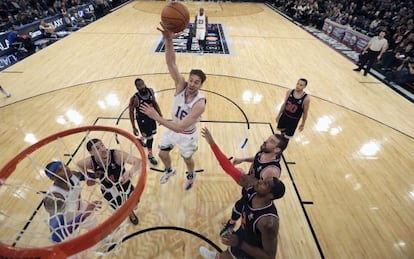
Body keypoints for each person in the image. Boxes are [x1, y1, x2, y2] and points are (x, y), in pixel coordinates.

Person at [199, 127, 285, 259]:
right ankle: (218, 254)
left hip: (252, 245)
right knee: (238, 209)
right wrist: (243, 160)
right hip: (245, 228)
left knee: (236, 249)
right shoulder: (255, 187)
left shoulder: (268, 222)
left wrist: (212, 143)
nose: (259, 182)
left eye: (264, 182)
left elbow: (269, 257)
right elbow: (250, 164)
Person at [140, 22, 207, 191]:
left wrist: (155, 116)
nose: (192, 84)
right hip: (171, 126)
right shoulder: (181, 85)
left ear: (201, 85)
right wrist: (168, 41)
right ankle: (169, 170)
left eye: (196, 82)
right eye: (191, 80)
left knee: (187, 159)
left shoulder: (199, 104)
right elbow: (171, 64)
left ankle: (191, 173)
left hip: (186, 134)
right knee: (162, 153)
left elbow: (179, 128)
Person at [219, 133, 288, 236]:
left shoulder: (272, 170)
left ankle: (234, 227)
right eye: (268, 139)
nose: (266, 141)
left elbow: (263, 188)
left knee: (240, 208)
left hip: (255, 194)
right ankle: (233, 223)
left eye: (271, 141)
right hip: (248, 184)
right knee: (239, 206)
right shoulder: (264, 151)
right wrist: (243, 160)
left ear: (277, 150)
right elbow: (257, 157)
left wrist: (243, 177)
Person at [76, 139, 142, 225]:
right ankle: (131, 215)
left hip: (123, 184)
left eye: (102, 145)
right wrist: (87, 177)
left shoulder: (116, 155)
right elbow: (78, 164)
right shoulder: (90, 162)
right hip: (108, 190)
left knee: (135, 203)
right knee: (123, 207)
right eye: (97, 148)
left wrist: (130, 171)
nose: (103, 149)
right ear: (91, 153)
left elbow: (138, 161)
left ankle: (131, 209)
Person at [43, 161, 100, 243]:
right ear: (53, 178)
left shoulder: (72, 175)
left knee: (94, 225)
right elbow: (57, 235)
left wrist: (93, 176)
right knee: (74, 251)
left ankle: (102, 242)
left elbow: (84, 176)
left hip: (80, 208)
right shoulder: (54, 198)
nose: (66, 169)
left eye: (65, 166)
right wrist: (82, 217)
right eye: (60, 170)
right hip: (65, 222)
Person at [129, 78, 163, 166]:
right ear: (136, 88)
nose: (142, 87)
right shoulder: (134, 98)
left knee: (151, 134)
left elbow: (155, 103)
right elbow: (131, 112)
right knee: (150, 138)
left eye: (142, 84)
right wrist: (133, 127)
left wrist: (160, 115)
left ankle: (140, 140)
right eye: (139, 86)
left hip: (151, 117)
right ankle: (150, 155)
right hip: (142, 120)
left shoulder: (151, 91)